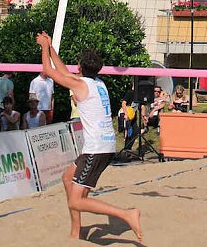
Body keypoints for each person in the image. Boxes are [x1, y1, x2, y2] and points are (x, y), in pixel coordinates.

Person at [35, 31, 142, 242]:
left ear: (80, 68)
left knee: (76, 201)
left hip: (97, 149)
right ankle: (76, 232)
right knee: (67, 178)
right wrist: (51, 47)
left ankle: (127, 214)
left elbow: (49, 70)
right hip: (102, 145)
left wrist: (44, 47)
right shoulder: (97, 82)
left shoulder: (81, 84)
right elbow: (64, 71)